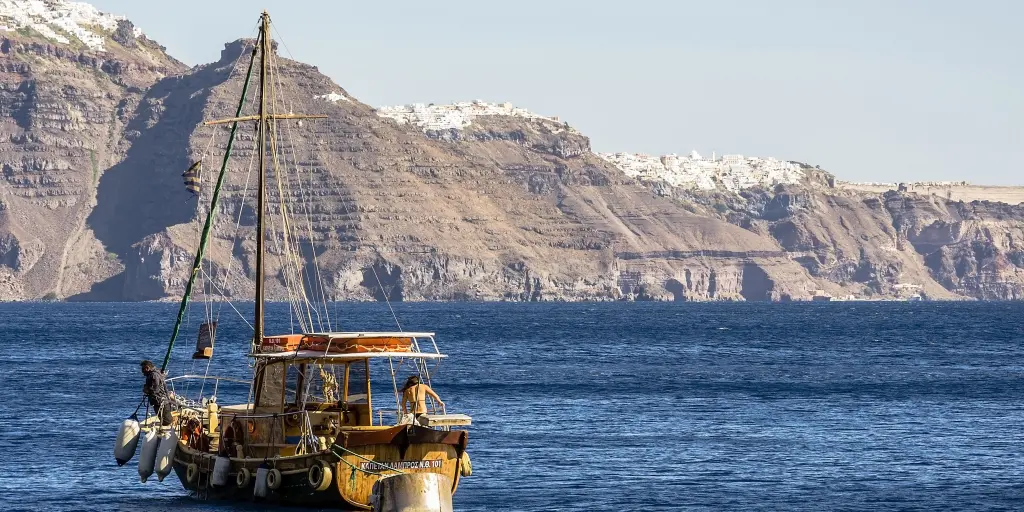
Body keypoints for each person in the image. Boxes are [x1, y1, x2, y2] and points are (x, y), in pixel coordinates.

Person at [140, 360, 173, 425]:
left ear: (147, 368)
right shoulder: (156, 373)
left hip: (160, 401)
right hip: (160, 401)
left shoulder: (154, 375)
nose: (142, 371)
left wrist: (146, 390)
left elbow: (155, 389)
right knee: (164, 419)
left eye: (143, 369)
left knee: (167, 422)